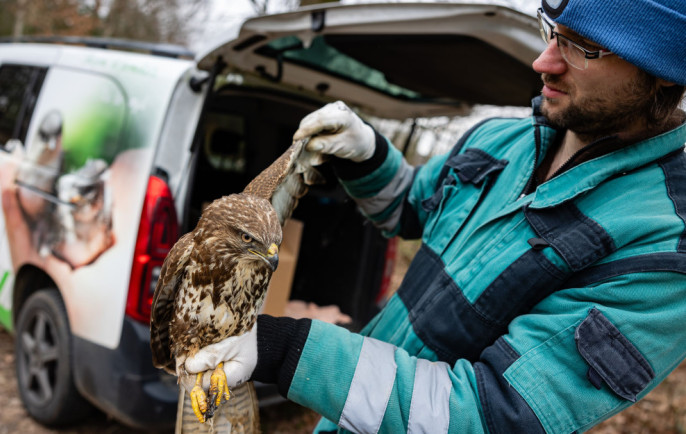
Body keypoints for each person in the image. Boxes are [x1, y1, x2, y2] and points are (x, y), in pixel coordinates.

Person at [185, 0, 686, 432]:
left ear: (665, 69)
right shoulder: (500, 138)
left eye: (582, 48)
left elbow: (493, 414)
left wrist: (292, 349)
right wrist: (370, 156)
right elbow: (408, 208)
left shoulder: (662, 249)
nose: (543, 62)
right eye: (550, 32)